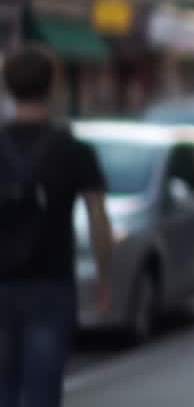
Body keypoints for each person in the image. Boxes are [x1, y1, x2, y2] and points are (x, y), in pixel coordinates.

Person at [0, 44, 113, 407]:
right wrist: (104, 276)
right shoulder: (75, 150)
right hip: (51, 285)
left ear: (8, 88)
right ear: (52, 89)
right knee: (42, 393)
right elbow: (98, 217)